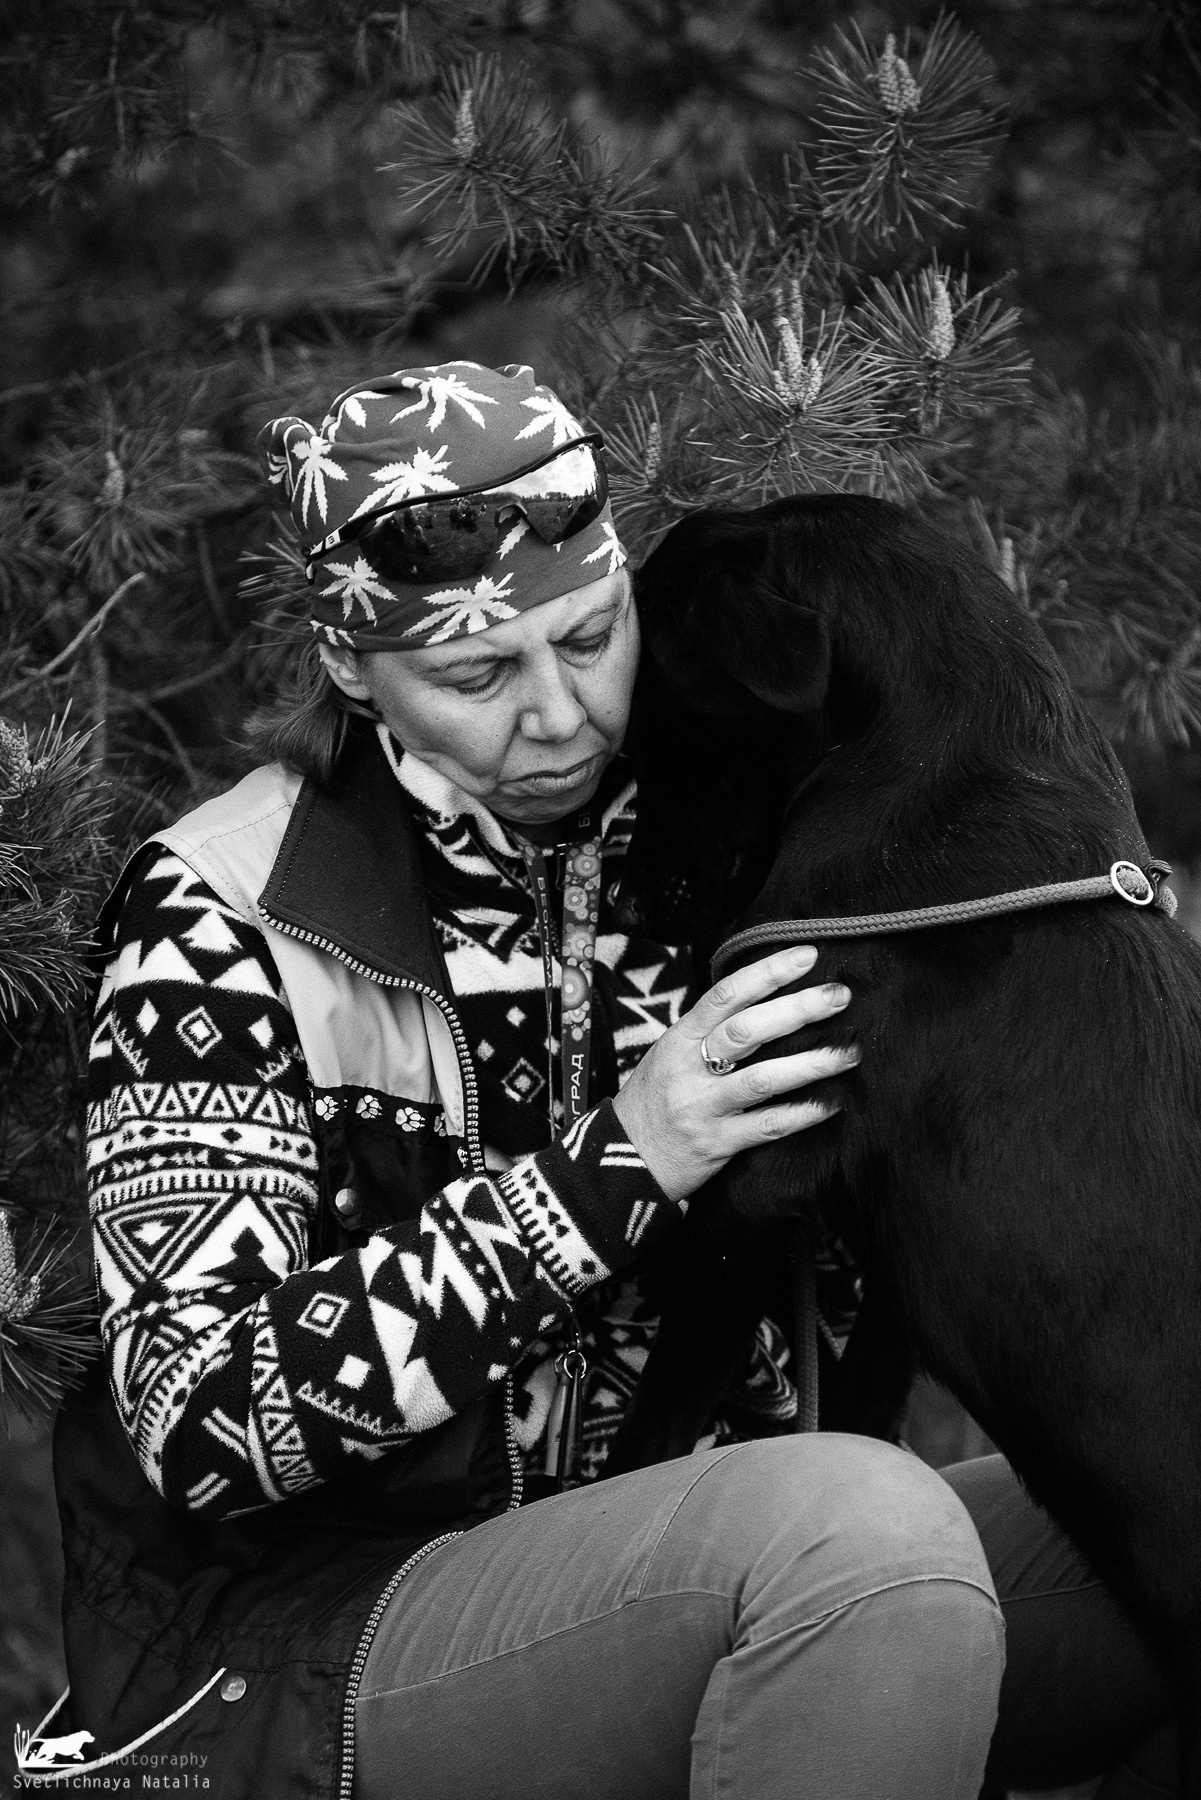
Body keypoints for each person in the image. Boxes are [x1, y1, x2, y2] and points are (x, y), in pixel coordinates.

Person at [44, 361, 1174, 1800]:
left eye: (589, 637)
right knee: (857, 1533)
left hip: (705, 1573)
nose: (560, 715)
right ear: (349, 665)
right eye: (475, 676)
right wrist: (622, 1160)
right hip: (296, 1644)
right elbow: (199, 1424)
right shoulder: (219, 916)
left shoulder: (727, 835)